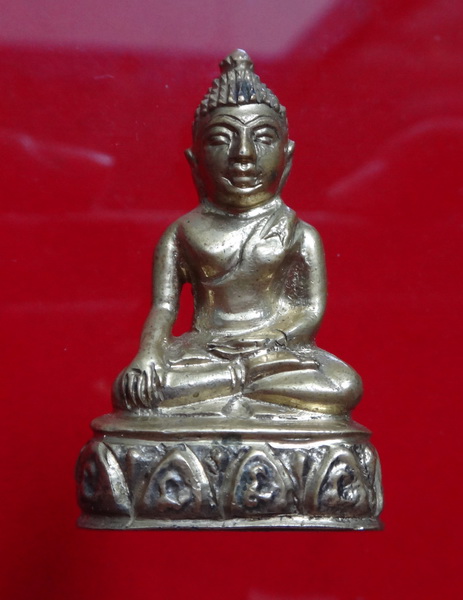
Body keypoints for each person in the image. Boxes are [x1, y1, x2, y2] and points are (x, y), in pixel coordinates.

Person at [113, 50, 362, 415]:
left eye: (262, 138)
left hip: (273, 353)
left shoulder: (299, 233)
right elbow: (164, 307)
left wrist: (270, 340)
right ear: (195, 161)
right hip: (203, 352)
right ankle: (238, 382)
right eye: (220, 139)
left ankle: (232, 383)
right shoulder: (182, 233)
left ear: (288, 156)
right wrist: (147, 355)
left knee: (343, 384)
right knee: (133, 390)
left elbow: (308, 309)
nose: (243, 153)